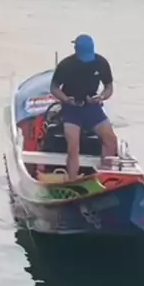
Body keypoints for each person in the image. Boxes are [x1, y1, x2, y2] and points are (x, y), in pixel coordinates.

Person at [50, 34, 118, 181]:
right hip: (72, 109)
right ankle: (72, 180)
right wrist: (65, 99)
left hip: (92, 107)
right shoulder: (66, 65)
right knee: (73, 145)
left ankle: (106, 175)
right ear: (76, 50)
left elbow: (109, 87)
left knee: (110, 139)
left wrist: (101, 97)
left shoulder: (101, 63)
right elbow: (54, 88)